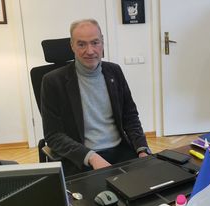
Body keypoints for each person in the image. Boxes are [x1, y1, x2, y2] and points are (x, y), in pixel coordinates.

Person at [41, 18, 150, 176]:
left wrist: (142, 149)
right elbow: (53, 135)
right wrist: (92, 157)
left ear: (102, 43)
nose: (90, 50)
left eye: (95, 42)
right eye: (81, 44)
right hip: (82, 158)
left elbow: (130, 116)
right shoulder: (52, 81)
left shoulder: (114, 72)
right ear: (72, 45)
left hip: (121, 151)